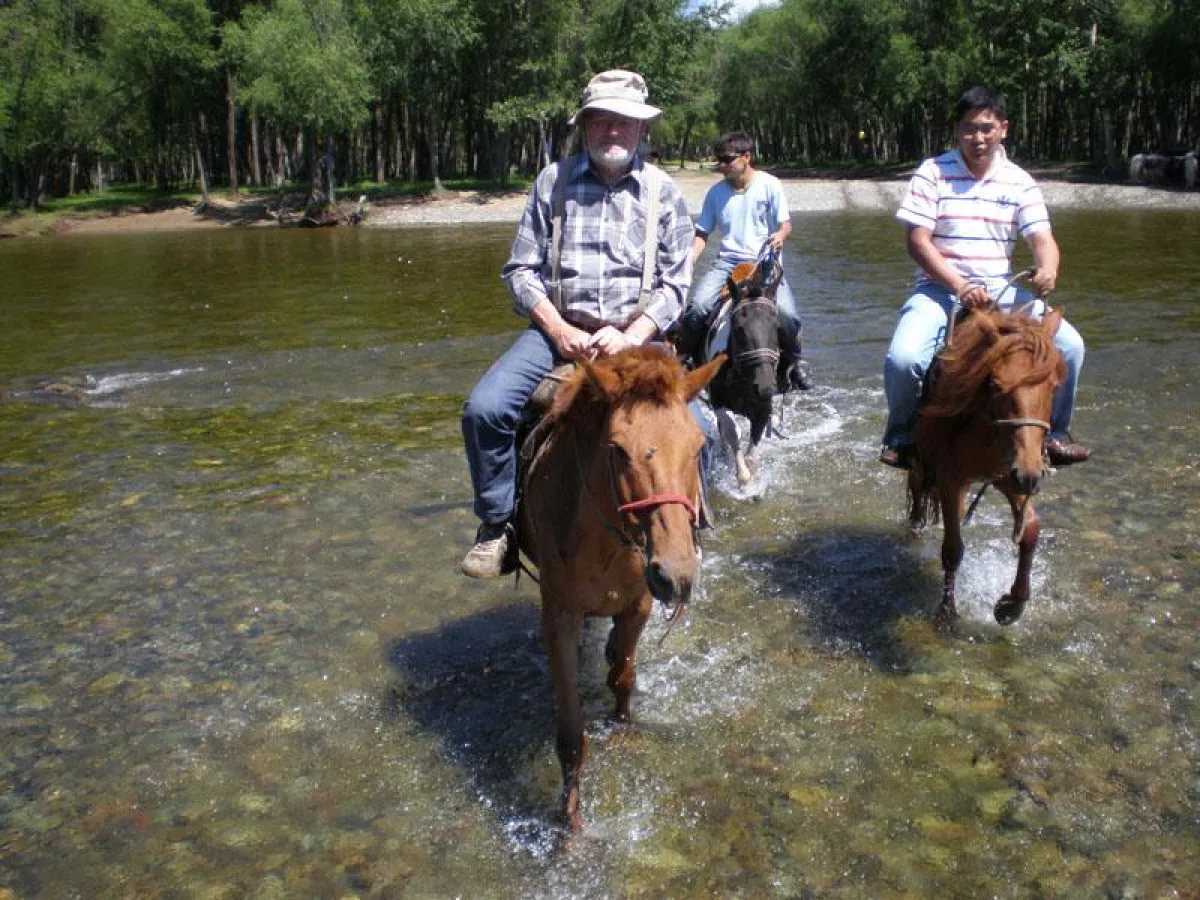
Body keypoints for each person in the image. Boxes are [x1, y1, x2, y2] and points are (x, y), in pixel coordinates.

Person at [459, 69, 699, 578]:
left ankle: (692, 528)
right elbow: (521, 270)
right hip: (557, 332)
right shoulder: (554, 181)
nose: (612, 131)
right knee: (484, 410)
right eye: (601, 121)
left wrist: (631, 333)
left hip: (638, 341)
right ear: (585, 126)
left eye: (624, 122)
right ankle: (498, 526)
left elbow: (677, 285)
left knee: (696, 431)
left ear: (641, 130)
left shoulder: (665, 192)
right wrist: (559, 330)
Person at [880, 85, 1090, 470]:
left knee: (1072, 347)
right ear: (957, 131)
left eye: (986, 128)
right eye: (969, 128)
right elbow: (917, 242)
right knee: (904, 359)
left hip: (1003, 289)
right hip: (939, 289)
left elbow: (1042, 239)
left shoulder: (1019, 181)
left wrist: (1048, 269)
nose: (978, 138)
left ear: (1003, 129)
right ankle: (902, 436)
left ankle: (1056, 434)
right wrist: (959, 285)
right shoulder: (933, 173)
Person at [679, 130, 810, 392]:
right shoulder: (715, 193)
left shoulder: (770, 184)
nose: (722, 166)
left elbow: (785, 224)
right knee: (698, 307)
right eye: (719, 161)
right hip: (727, 264)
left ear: (746, 157)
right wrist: (690, 258)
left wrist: (780, 235)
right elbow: (703, 233)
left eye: (727, 160)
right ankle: (687, 361)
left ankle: (796, 363)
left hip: (765, 263)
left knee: (787, 314)